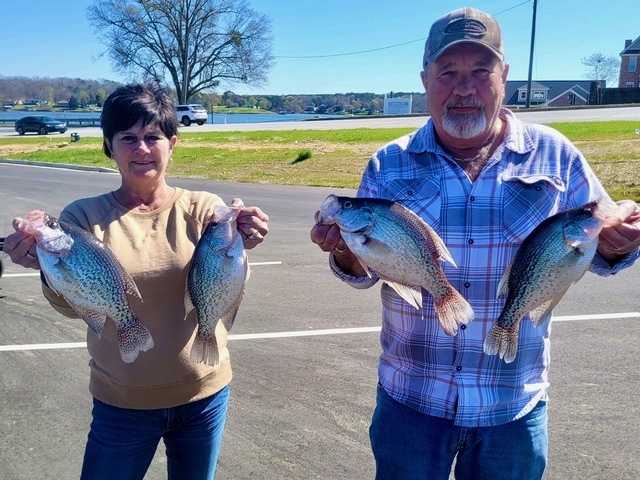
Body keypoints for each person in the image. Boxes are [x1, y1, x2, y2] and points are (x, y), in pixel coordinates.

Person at [310, 7, 640, 480]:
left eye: (480, 72)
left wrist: (621, 241)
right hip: (411, 401)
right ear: (425, 79)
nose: (464, 88)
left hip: (513, 404)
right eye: (448, 72)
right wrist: (343, 248)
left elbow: (603, 247)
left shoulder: (556, 154)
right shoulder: (388, 164)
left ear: (503, 76)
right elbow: (364, 268)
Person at [4, 81, 269, 480]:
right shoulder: (81, 218)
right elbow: (71, 306)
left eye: (153, 137)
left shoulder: (203, 209)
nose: (141, 149)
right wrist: (43, 264)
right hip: (121, 403)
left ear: (173, 144)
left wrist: (245, 232)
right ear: (109, 145)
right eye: (127, 138)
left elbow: (230, 280)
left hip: (205, 396)